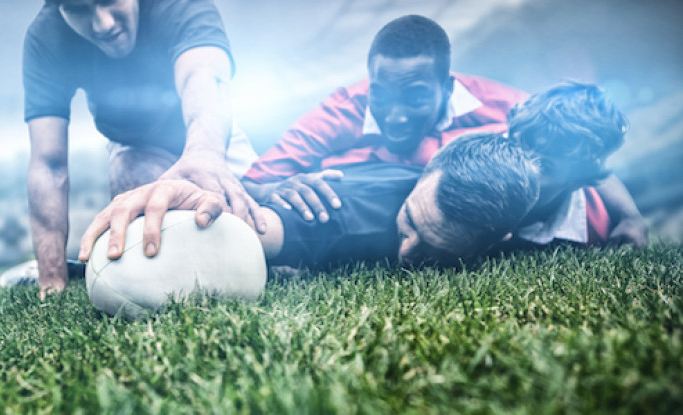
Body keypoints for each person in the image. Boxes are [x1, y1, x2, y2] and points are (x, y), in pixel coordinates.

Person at [19, 0, 265, 298]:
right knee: (152, 231)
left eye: (109, 0)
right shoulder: (46, 36)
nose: (103, 24)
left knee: (271, 246)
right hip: (133, 146)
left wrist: (205, 155)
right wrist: (52, 278)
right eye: (78, 10)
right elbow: (49, 164)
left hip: (209, 134)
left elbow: (202, 76)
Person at [79, 132, 541, 269]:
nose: (405, 252)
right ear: (428, 169)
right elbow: (244, 231)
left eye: (434, 252)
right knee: (134, 166)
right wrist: (190, 199)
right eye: (409, 224)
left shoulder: (536, 217)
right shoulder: (340, 213)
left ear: (494, 239)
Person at [242, 15, 528, 224]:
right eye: (381, 95)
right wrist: (274, 188)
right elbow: (250, 184)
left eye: (415, 97)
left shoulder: (506, 106)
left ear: (448, 89)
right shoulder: (339, 112)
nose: (396, 117)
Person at [504, 82, 648, 248]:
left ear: (576, 182)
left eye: (543, 167)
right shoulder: (480, 137)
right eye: (514, 146)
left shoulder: (595, 237)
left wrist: (631, 218)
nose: (516, 169)